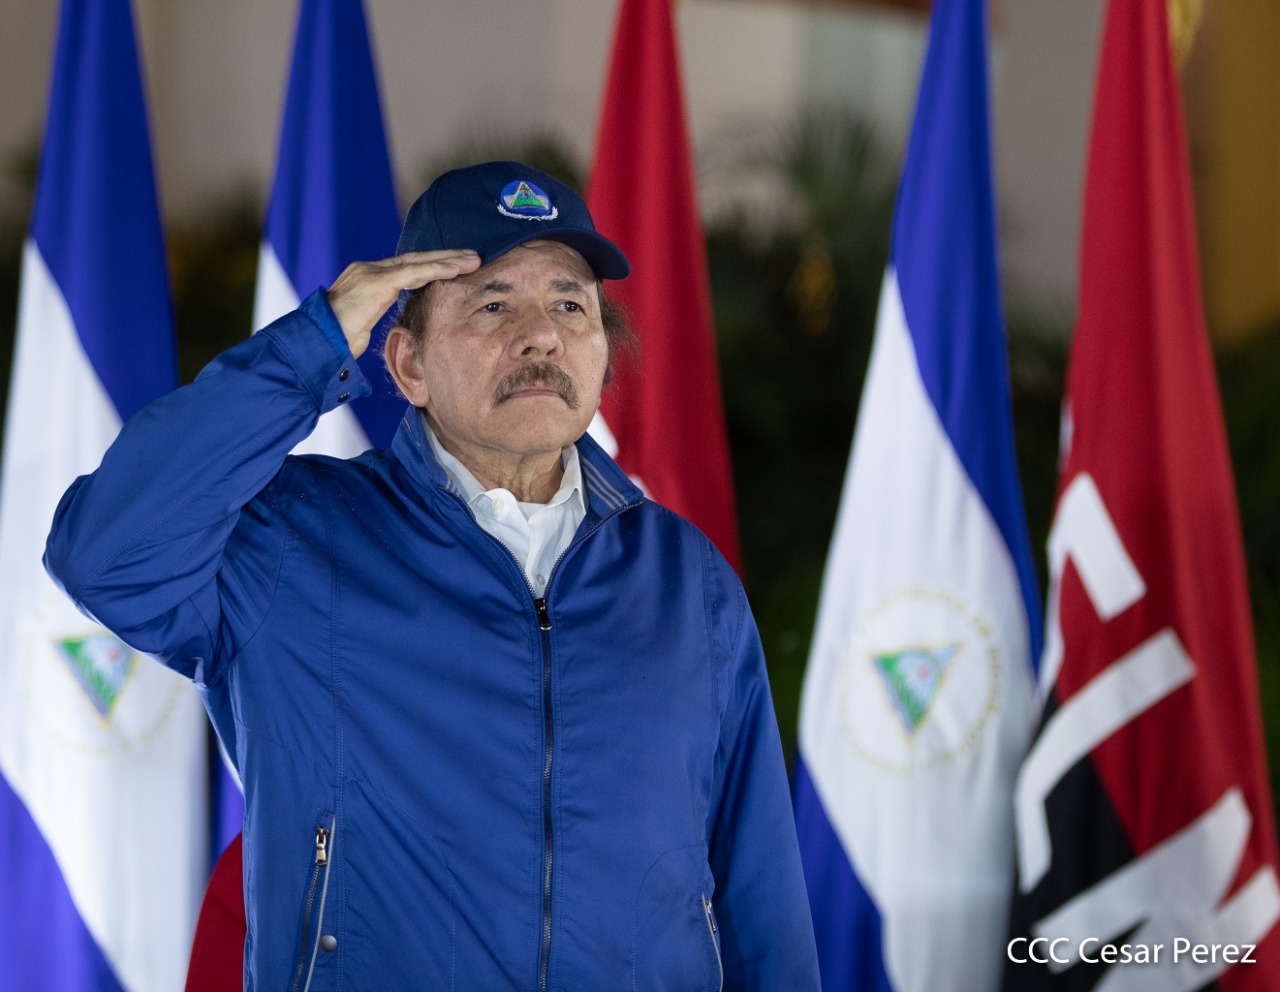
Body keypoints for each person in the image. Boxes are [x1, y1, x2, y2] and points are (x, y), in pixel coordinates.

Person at [45, 161, 819, 991]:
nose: (541, 335)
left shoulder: (686, 580)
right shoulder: (287, 544)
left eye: (570, 304)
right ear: (408, 365)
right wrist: (312, 343)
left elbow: (761, 901)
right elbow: (104, 554)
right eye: (493, 304)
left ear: (602, 356)